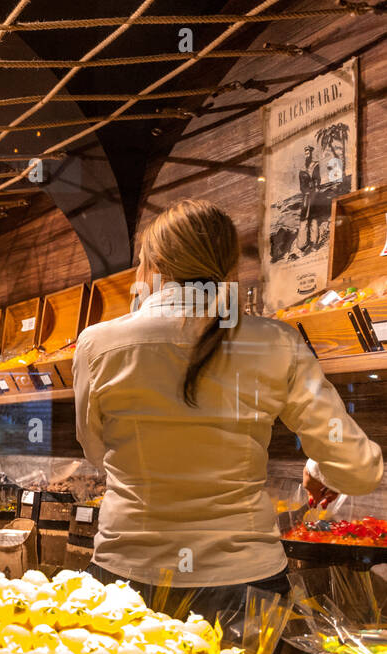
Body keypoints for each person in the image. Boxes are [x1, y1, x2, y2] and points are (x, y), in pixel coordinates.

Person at [73, 199, 383, 621]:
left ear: (155, 264)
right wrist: (321, 470)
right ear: (226, 264)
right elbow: (359, 470)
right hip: (244, 584)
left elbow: (95, 450)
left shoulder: (96, 343)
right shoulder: (277, 341)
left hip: (127, 576)